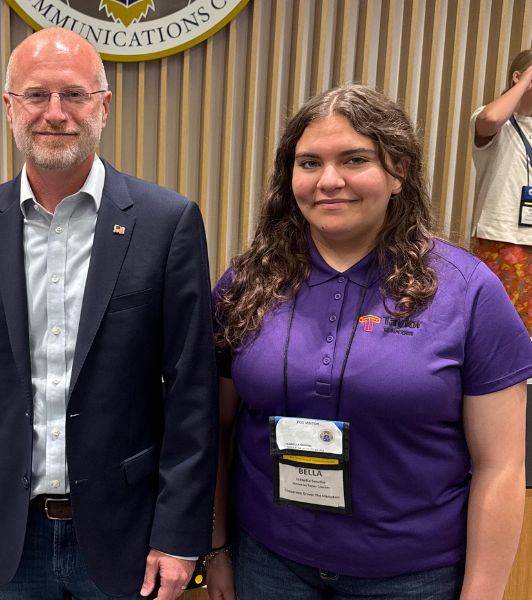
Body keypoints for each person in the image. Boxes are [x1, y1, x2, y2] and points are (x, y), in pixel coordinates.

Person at [0, 27, 217, 600]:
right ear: (9, 106)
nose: (55, 113)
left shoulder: (167, 222)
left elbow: (193, 394)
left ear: (103, 106)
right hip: (6, 537)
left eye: (74, 95)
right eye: (36, 95)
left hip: (127, 535)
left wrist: (180, 535)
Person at [207, 85, 532, 600]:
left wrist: (484, 592)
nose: (328, 181)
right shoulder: (248, 283)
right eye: (309, 162)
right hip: (270, 563)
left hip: (412, 576)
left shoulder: (466, 291)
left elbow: (501, 466)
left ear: (398, 170)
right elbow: (215, 430)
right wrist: (218, 548)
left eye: (355, 159)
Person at [471, 49, 532, 334]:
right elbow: (491, 119)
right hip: (501, 236)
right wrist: (523, 84)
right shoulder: (493, 119)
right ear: (517, 77)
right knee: (496, 324)